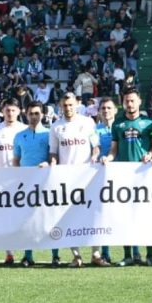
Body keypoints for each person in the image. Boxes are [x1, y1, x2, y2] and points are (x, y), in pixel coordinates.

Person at [107, 88, 152, 266]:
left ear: (139, 101)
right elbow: (113, 150)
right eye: (126, 101)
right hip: (124, 176)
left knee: (147, 216)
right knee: (125, 217)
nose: (129, 104)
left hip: (145, 176)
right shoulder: (118, 123)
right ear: (122, 103)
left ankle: (149, 255)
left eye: (132, 101)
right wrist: (107, 158)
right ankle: (128, 255)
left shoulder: (149, 123)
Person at [48, 92, 101, 267]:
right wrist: (54, 163)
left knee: (92, 215)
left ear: (76, 105)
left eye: (71, 105)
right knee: (69, 217)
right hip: (66, 179)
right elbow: (53, 152)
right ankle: (76, 256)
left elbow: (96, 146)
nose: (68, 108)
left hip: (87, 177)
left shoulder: (87, 122)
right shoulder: (56, 127)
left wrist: (94, 157)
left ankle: (96, 254)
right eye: (65, 105)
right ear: (60, 106)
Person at [0, 99, 27, 266]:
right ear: (2, 111)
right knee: (6, 218)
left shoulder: (24, 130)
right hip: (1, 183)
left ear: (19, 111)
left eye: (13, 110)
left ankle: (26, 253)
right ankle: (9, 253)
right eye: (7, 110)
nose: (10, 113)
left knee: (23, 217)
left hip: (22, 180)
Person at [13, 101, 51, 267]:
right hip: (27, 184)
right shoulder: (19, 136)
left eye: (37, 113)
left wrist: (48, 164)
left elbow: (54, 156)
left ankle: (54, 255)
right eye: (31, 113)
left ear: (42, 114)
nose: (34, 116)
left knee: (49, 218)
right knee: (27, 219)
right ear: (25, 114)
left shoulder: (50, 134)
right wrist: (18, 178)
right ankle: (28, 255)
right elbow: (16, 160)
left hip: (47, 181)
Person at [92, 97, 118, 264]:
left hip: (122, 174)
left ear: (115, 110)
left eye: (109, 108)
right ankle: (104, 253)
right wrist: (95, 156)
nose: (106, 111)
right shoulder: (95, 130)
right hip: (101, 176)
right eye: (103, 108)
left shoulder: (121, 126)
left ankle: (134, 253)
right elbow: (95, 147)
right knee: (101, 215)